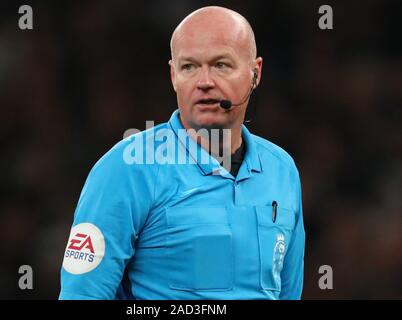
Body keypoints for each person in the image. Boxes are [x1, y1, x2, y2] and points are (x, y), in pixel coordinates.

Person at [59, 6, 305, 300]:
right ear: (173, 75)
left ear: (255, 72)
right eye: (189, 67)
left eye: (221, 65)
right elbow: (82, 295)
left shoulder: (282, 170)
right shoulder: (128, 167)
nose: (204, 82)